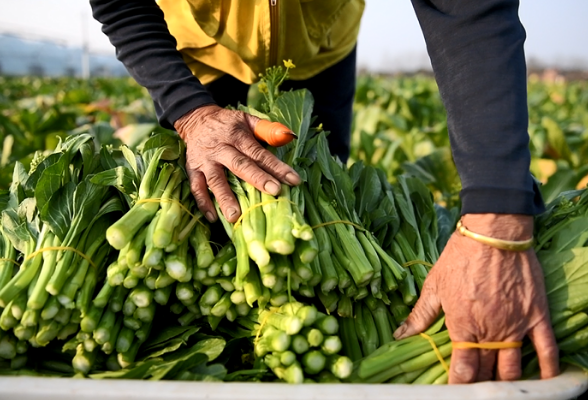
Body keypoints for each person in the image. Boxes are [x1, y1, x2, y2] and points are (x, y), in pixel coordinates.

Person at [90, 0, 559, 383]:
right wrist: (189, 111)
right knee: (203, 190)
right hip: (197, 47)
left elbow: (468, 8)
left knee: (324, 178)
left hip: (321, 44)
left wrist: (497, 221)